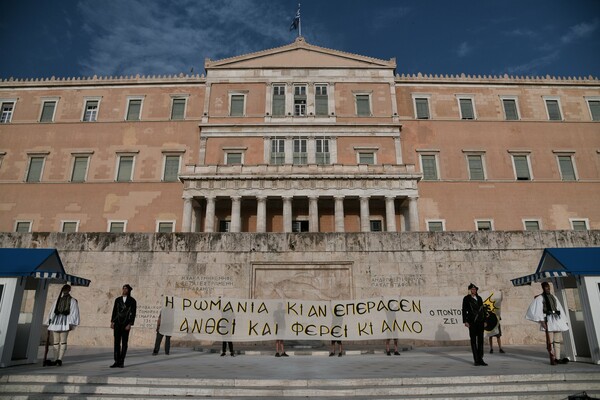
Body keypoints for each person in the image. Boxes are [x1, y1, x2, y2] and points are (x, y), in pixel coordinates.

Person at [525, 282, 570, 365]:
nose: (548, 289)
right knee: (550, 342)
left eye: (548, 287)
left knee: (557, 340)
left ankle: (557, 358)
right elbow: (537, 310)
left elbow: (559, 308)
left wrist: (565, 321)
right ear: (543, 288)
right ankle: (552, 357)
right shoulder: (540, 298)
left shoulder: (554, 297)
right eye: (546, 288)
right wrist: (542, 322)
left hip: (556, 319)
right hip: (548, 320)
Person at [46, 284, 80, 366]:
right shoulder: (57, 300)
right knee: (56, 342)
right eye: (64, 289)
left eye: (66, 289)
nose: (65, 291)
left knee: (63, 341)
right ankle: (55, 359)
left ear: (69, 290)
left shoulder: (72, 300)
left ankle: (59, 359)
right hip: (56, 322)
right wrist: (49, 320)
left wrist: (71, 323)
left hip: (65, 323)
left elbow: (74, 312)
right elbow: (52, 311)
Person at [110, 284, 136, 368]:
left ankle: (122, 361)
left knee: (124, 343)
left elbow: (133, 313)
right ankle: (116, 361)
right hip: (117, 323)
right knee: (116, 342)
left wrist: (130, 324)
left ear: (129, 290)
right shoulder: (117, 300)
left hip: (126, 324)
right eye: (123, 288)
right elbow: (114, 311)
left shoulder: (132, 301)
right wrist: (112, 322)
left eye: (126, 289)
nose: (124, 290)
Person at [462, 283, 488, 366]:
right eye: (472, 289)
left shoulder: (479, 298)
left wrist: (485, 321)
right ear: (470, 290)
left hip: (480, 322)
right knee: (473, 341)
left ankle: (481, 359)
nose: (474, 290)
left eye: (475, 289)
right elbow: (464, 310)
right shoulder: (466, 299)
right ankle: (476, 360)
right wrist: (465, 321)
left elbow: (482, 310)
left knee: (480, 341)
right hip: (472, 322)